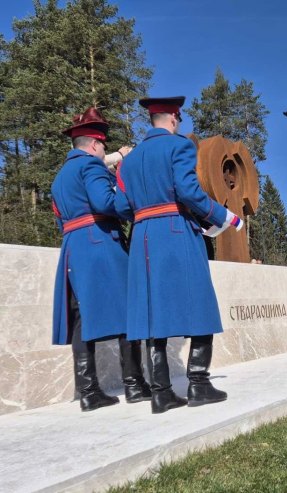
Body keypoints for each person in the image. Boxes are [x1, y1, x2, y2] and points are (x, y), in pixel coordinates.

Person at [115, 96, 243, 414]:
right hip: (175, 231)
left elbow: (120, 206)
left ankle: (161, 393)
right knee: (200, 303)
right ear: (173, 118)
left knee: (152, 314)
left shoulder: (129, 161)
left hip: (142, 236)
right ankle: (199, 383)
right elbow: (188, 191)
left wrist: (145, 215)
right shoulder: (180, 145)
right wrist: (224, 216)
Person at [51, 107, 150, 412]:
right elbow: (106, 202)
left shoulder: (60, 177)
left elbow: (59, 219)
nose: (104, 151)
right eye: (103, 146)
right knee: (128, 309)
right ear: (94, 144)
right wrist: (127, 193)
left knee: (81, 316)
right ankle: (134, 385)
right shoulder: (92, 166)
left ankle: (88, 391)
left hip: (73, 246)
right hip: (100, 242)